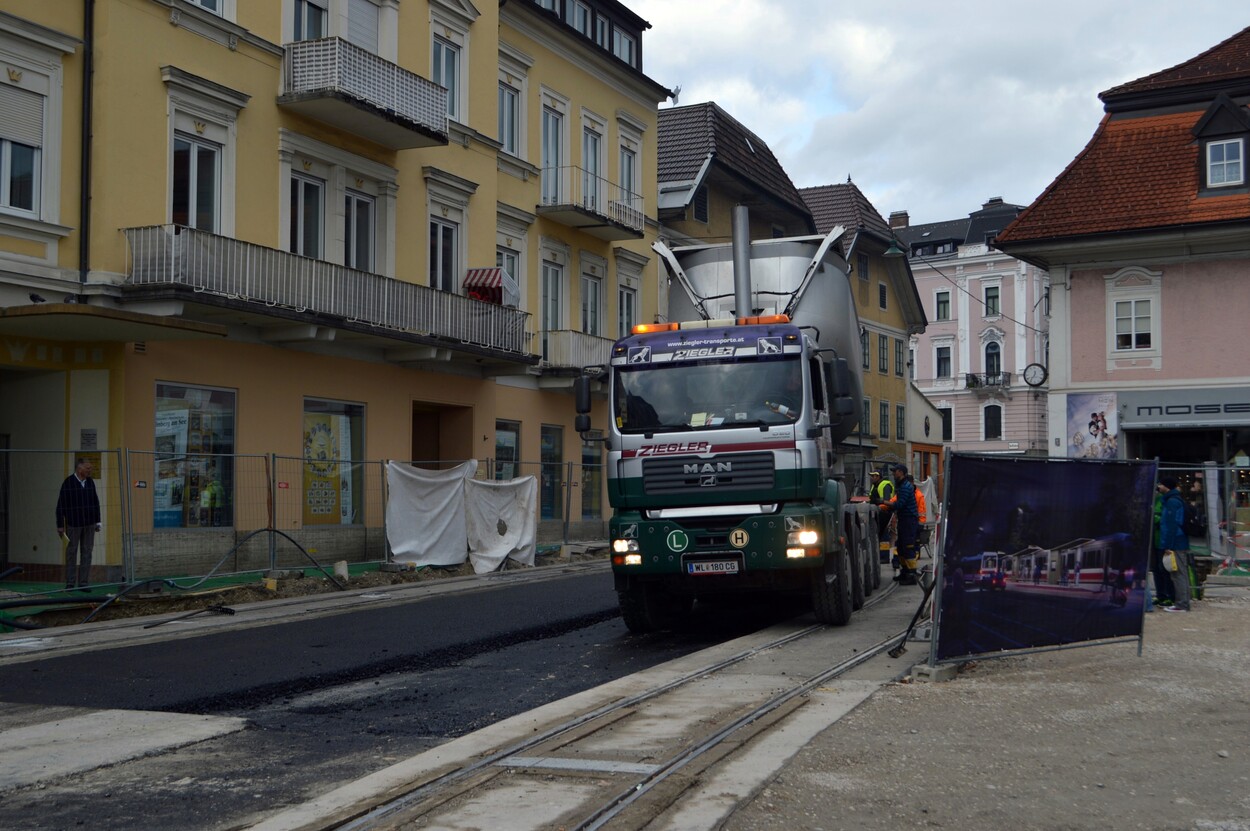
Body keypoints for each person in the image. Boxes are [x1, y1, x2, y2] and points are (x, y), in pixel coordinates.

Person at [56, 457, 101, 590]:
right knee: (71, 552)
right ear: (79, 468)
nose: (90, 470)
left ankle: (83, 583)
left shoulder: (90, 482)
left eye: (90, 468)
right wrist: (60, 524)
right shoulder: (68, 483)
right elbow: (60, 505)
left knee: (87, 552)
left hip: (89, 524)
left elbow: (95, 502)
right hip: (73, 524)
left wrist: (98, 521)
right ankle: (70, 582)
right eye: (88, 468)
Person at [879, 463, 920, 585]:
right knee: (901, 547)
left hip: (909, 521)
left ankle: (912, 575)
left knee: (908, 547)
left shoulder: (905, 487)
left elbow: (899, 504)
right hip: (904, 520)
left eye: (895, 471)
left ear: (901, 472)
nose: (893, 473)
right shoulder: (902, 486)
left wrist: (883, 502)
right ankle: (905, 572)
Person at [1158, 476, 1191, 612]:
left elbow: (1170, 526)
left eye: (1160, 484)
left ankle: (1182, 604)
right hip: (1178, 542)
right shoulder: (1175, 500)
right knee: (1179, 573)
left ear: (1166, 486)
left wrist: (1167, 545)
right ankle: (1182, 602)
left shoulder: (1171, 502)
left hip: (1176, 543)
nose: (1158, 487)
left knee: (1178, 574)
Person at [867, 469, 895, 564]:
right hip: (877, 512)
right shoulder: (874, 486)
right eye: (871, 476)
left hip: (884, 512)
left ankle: (884, 557)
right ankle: (880, 555)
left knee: (884, 535)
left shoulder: (885, 485)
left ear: (879, 477)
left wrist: (877, 502)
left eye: (874, 476)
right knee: (879, 535)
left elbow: (886, 501)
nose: (872, 477)